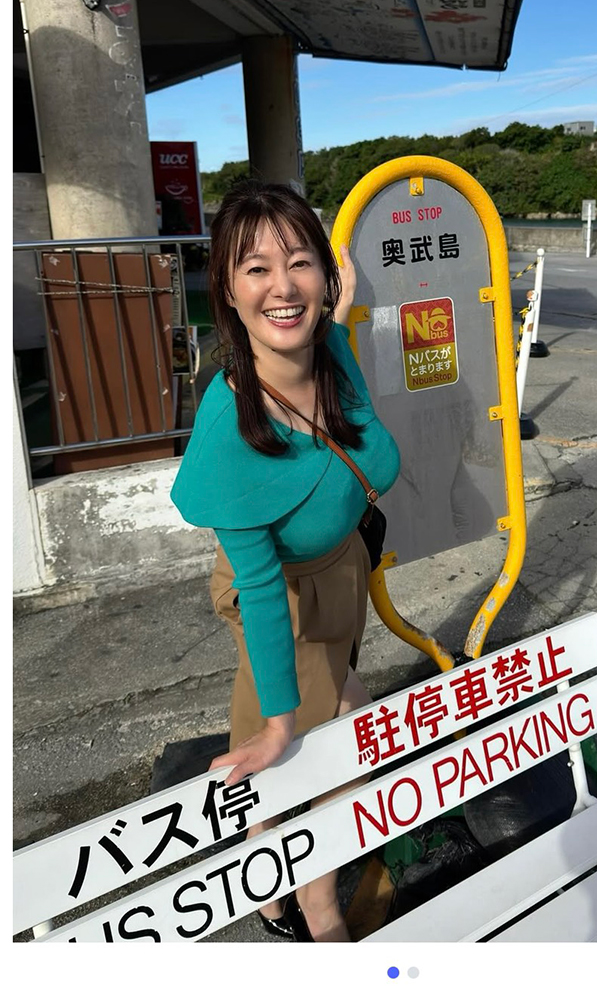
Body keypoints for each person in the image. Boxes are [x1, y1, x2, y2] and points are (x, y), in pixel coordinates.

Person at [171, 181, 400, 942]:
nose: (283, 286)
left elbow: (321, 320)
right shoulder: (231, 429)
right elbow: (263, 588)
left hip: (340, 577)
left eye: (300, 263)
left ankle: (274, 884)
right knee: (299, 753)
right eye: (256, 269)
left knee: (345, 718)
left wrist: (336, 300)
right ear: (227, 295)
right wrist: (273, 725)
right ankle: (313, 908)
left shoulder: (330, 352)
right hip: (283, 597)